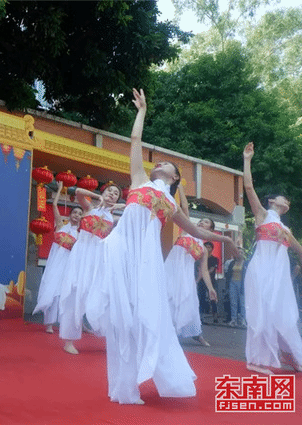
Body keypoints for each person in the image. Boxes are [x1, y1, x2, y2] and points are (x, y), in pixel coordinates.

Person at [85, 89, 237, 404]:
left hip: (146, 260)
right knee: (119, 314)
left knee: (143, 316)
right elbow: (135, 141)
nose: (159, 164)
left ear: (174, 177)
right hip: (120, 249)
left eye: (165, 163)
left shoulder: (171, 204)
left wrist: (225, 239)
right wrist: (141, 111)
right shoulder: (139, 179)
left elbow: (196, 230)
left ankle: (133, 381)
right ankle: (123, 383)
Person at [242, 141, 302, 375]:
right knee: (261, 313)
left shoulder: (285, 229)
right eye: (283, 199)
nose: (287, 202)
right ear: (272, 201)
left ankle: (289, 354)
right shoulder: (262, 215)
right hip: (261, 270)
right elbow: (248, 187)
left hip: (280, 279)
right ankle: (256, 360)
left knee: (285, 315)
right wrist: (247, 160)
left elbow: (301, 253)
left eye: (288, 201)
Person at [58, 182, 122, 354]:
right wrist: (97, 197)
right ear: (103, 192)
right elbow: (78, 191)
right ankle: (69, 340)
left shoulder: (113, 218)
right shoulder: (89, 208)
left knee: (99, 294)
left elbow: (131, 208)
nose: (112, 194)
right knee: (74, 293)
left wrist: (118, 206)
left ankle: (107, 336)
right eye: (109, 191)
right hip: (81, 255)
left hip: (98, 259)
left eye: (116, 193)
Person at [164, 185, 217, 347]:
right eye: (201, 220)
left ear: (210, 229)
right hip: (171, 269)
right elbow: (185, 208)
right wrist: (180, 187)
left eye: (205, 222)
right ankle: (164, 332)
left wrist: (210, 288)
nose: (201, 222)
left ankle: (196, 334)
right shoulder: (187, 230)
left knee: (189, 304)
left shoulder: (204, 249)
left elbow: (204, 271)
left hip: (185, 275)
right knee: (167, 297)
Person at [32, 181, 83, 334]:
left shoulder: (80, 235)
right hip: (55, 265)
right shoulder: (61, 225)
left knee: (63, 293)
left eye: (80, 214)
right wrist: (60, 189)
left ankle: (62, 322)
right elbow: (54, 206)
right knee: (51, 290)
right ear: (70, 214)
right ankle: (48, 324)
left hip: (68, 266)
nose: (77, 215)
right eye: (75, 212)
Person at [226, 247, 247, 327]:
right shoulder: (232, 263)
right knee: (233, 302)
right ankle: (233, 319)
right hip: (232, 282)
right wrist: (227, 285)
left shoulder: (245, 263)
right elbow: (228, 274)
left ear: (243, 254)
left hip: (242, 283)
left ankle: (243, 320)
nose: (240, 254)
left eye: (241, 252)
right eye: (238, 252)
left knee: (242, 303)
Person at [203, 242, 220, 323]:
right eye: (206, 247)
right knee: (201, 298)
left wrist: (204, 274)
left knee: (213, 298)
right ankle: (201, 316)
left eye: (209, 247)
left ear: (212, 249)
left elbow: (212, 269)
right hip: (201, 281)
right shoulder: (201, 259)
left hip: (211, 281)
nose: (207, 249)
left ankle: (215, 316)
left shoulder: (214, 259)